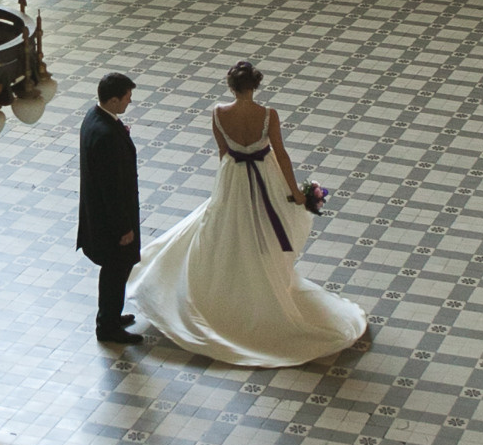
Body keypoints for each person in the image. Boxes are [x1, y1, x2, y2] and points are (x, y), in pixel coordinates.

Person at [131, 58, 367, 367]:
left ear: (231, 87)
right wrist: (295, 192)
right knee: (265, 230)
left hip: (233, 178)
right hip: (264, 176)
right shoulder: (268, 115)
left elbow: (223, 153)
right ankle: (265, 279)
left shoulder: (218, 113)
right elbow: (280, 153)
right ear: (255, 86)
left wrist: (226, 187)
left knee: (227, 230)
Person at [77, 70, 142, 345]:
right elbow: (111, 189)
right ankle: (108, 326)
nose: (129, 102)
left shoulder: (94, 118)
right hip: (110, 223)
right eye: (127, 97)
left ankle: (113, 315)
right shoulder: (105, 135)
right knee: (116, 270)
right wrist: (123, 228)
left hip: (101, 217)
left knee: (116, 271)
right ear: (114, 100)